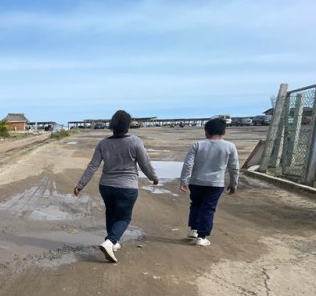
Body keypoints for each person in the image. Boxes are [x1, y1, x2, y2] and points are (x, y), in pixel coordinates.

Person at [73, 110, 159, 263]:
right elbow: (144, 164)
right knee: (124, 217)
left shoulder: (103, 143)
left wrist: (80, 185)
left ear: (112, 125)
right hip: (127, 187)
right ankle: (110, 241)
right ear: (128, 125)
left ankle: (112, 242)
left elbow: (93, 166)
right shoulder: (135, 141)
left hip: (106, 186)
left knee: (111, 213)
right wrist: (153, 177)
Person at [179, 118, 239, 246]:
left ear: (206, 131)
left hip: (196, 182)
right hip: (215, 183)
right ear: (224, 132)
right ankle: (202, 236)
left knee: (195, 204)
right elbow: (234, 167)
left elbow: (188, 164)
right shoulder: (230, 146)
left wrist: (184, 180)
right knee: (208, 208)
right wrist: (233, 184)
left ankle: (193, 230)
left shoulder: (198, 144)